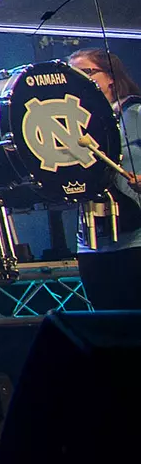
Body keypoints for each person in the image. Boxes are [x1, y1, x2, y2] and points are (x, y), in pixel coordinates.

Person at [67, 48, 141, 310]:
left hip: (136, 239)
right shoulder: (71, 124)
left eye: (86, 73)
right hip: (92, 244)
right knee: (107, 324)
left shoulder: (135, 113)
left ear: (111, 77)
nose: (79, 80)